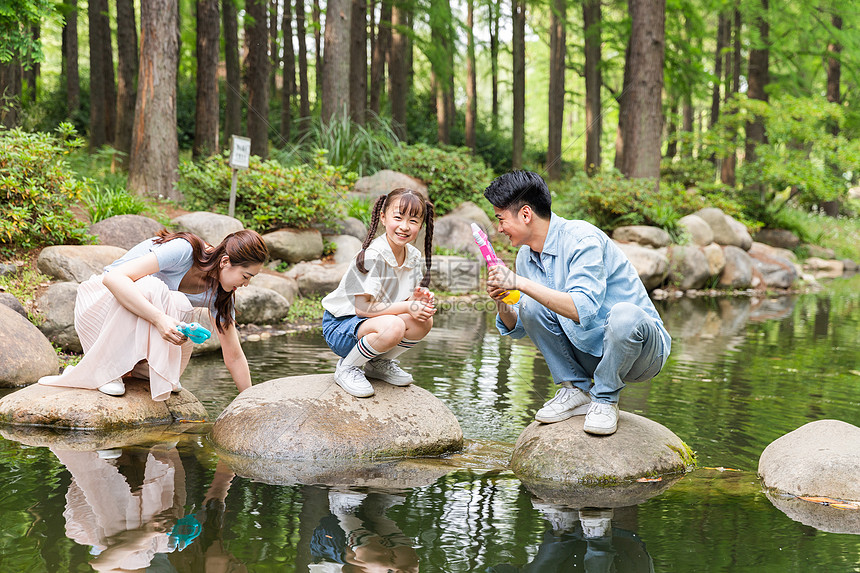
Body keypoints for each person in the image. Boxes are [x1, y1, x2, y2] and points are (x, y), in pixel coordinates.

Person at [482, 171, 671, 435]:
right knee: (530, 304)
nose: (499, 228)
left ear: (526, 215)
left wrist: (519, 283)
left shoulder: (583, 239)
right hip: (589, 349)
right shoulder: (525, 256)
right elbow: (523, 324)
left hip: (641, 354)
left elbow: (581, 309)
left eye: (501, 219)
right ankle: (575, 389)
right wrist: (503, 300)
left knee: (624, 315)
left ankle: (605, 399)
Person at [39, 229, 268, 400]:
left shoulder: (223, 294)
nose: (246, 284)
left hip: (136, 323)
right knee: (153, 287)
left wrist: (249, 402)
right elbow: (114, 279)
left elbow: (234, 356)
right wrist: (160, 319)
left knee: (178, 302)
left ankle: (140, 368)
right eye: (246, 276)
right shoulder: (184, 251)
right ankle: (105, 370)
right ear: (226, 262)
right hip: (102, 304)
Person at [322, 188, 436, 397]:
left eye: (413, 221)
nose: (404, 226)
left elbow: (401, 302)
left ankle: (378, 363)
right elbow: (362, 308)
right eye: (398, 217)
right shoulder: (373, 255)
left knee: (423, 321)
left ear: (421, 225)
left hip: (374, 324)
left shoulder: (412, 255)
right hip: (341, 326)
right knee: (394, 325)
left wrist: (416, 300)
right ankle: (347, 368)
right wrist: (408, 307)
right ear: (383, 217)